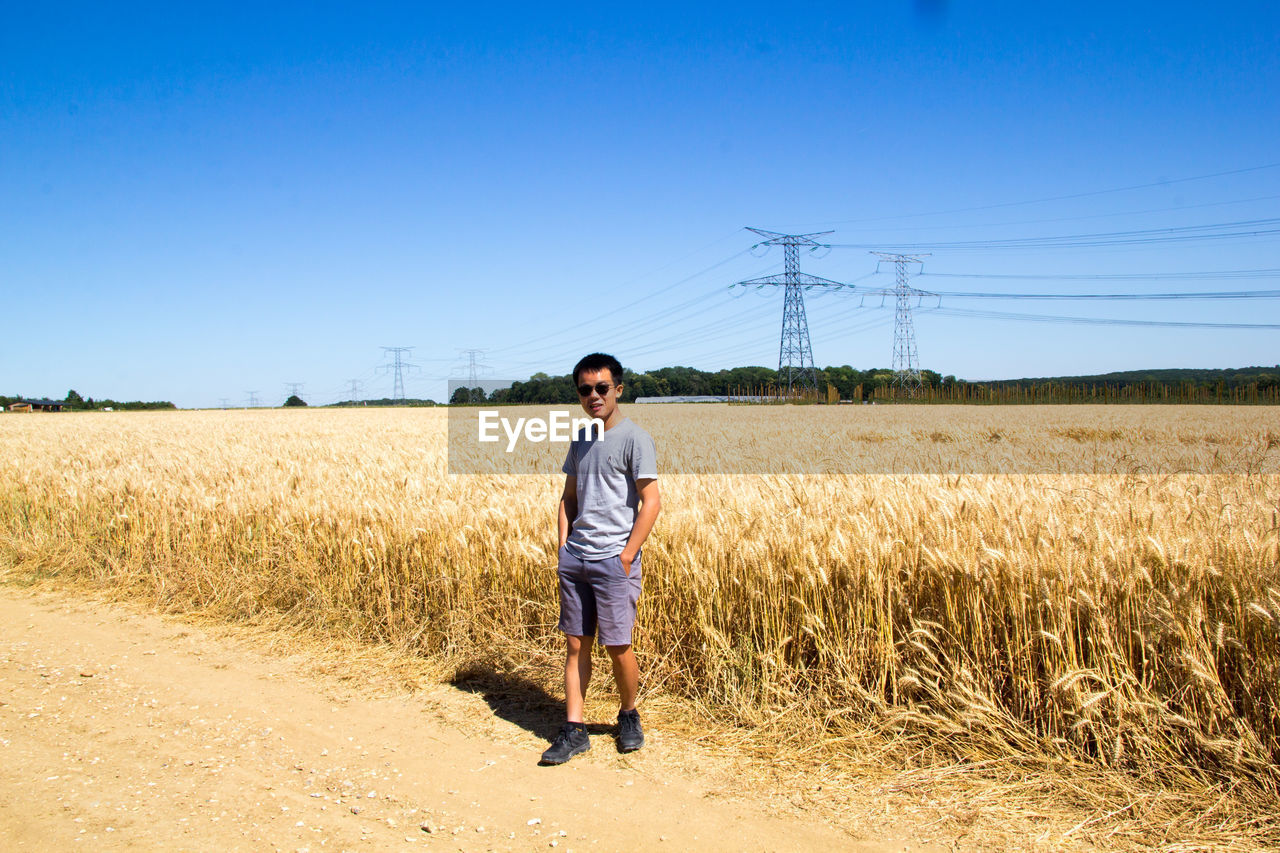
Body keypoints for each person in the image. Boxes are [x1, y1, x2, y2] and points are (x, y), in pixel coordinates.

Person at [540, 353, 661, 765]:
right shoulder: (580, 438)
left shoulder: (634, 438)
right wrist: (562, 545)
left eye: (602, 388)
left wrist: (627, 556)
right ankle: (574, 730)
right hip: (576, 559)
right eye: (585, 389)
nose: (594, 396)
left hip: (613, 560)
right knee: (576, 645)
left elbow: (651, 501)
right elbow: (568, 498)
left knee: (618, 645)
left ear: (618, 390)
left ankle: (628, 715)